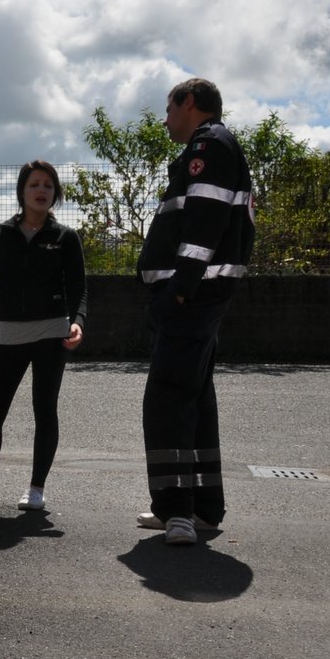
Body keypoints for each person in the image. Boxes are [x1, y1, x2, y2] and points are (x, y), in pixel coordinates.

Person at [135, 78, 254, 545]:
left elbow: (205, 221)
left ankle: (176, 511)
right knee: (195, 400)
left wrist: (179, 289)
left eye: (169, 109)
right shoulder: (217, 146)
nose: (166, 120)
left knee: (167, 401)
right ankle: (203, 509)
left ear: (189, 103)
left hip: (192, 295)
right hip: (200, 295)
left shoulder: (209, 144)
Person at [0, 160, 87, 512]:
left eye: (48, 186)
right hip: (10, 334)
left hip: (52, 333)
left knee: (45, 410)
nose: (42, 191)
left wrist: (78, 321)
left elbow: (79, 289)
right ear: (22, 192)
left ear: (55, 194)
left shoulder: (65, 238)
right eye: (35, 184)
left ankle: (36, 490)